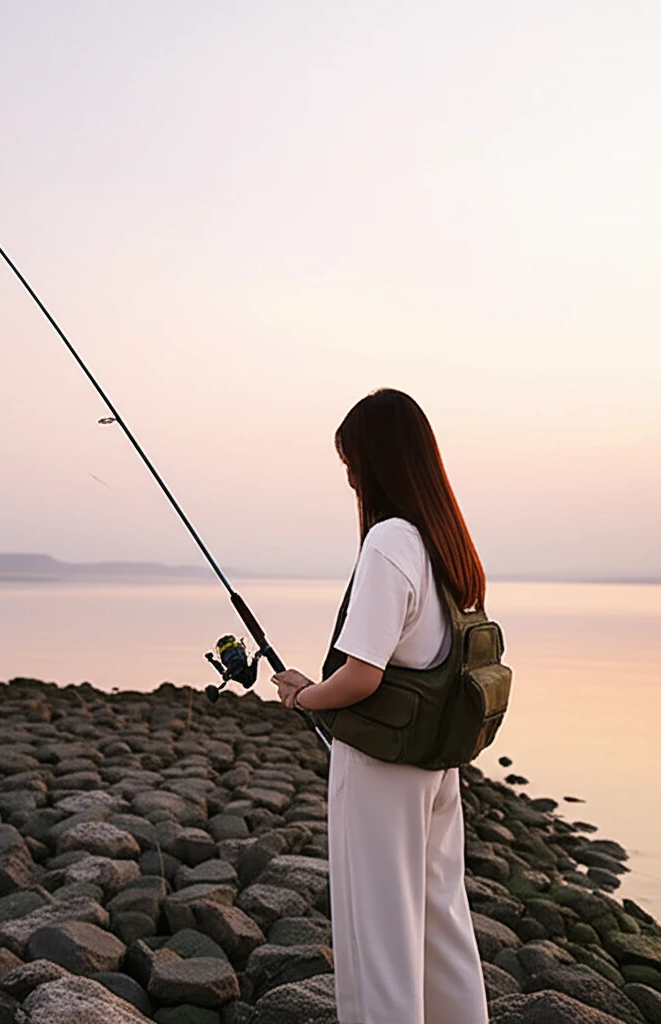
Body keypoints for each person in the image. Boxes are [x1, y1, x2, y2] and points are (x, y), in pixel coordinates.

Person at [273, 388, 489, 1024]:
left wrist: (304, 696)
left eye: (351, 464)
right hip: (436, 763)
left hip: (382, 764)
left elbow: (362, 676)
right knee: (441, 925)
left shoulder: (390, 540)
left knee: (381, 940)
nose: (349, 478)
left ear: (376, 463)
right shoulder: (445, 542)